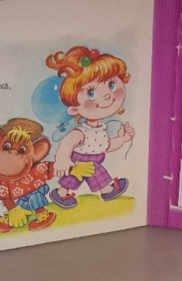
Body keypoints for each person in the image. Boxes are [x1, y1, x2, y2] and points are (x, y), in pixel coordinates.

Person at [46, 46, 134, 208]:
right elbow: (67, 144)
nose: (107, 95)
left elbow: (106, 145)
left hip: (93, 159)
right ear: (74, 109)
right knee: (94, 171)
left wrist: (122, 139)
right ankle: (107, 190)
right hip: (81, 160)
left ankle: (60, 193)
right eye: (91, 93)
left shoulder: (100, 129)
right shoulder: (81, 132)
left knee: (73, 178)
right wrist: (62, 160)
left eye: (111, 85)